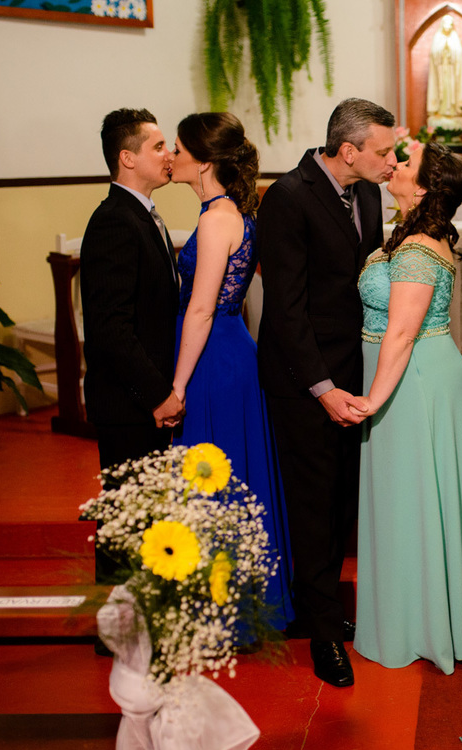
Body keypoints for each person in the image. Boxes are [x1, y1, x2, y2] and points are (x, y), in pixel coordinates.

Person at [256, 98, 397, 687]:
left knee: (344, 501)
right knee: (314, 505)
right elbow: (285, 310)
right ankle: (322, 634)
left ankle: (330, 607)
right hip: (303, 379)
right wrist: (323, 389)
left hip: (354, 370)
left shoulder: (367, 193)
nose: (392, 161)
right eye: (384, 151)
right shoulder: (288, 198)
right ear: (350, 150)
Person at [350, 143, 462, 674]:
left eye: (406, 163)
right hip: (412, 373)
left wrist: (371, 401)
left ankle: (420, 621)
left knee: (413, 497)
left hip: (412, 379)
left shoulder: (418, 248)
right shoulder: (410, 237)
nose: (395, 166)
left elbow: (402, 333)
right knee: (413, 497)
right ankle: (424, 610)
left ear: (424, 187)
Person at [169, 111, 295, 632]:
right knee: (228, 471)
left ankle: (227, 611)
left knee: (214, 475)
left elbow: (201, 309)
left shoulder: (217, 217)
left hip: (212, 357)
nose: (171, 158)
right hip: (226, 349)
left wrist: (176, 386)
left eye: (177, 149)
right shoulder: (230, 211)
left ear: (202, 161)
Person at [80, 108, 183, 585]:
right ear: (127, 158)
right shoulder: (114, 222)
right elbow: (110, 328)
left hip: (144, 399)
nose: (170, 154)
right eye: (158, 146)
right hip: (129, 403)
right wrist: (158, 394)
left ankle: (145, 622)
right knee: (126, 522)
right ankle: (119, 633)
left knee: (149, 520)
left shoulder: (144, 215)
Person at [427, 14, 462, 130]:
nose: (447, 27)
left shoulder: (455, 39)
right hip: (440, 73)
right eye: (446, 25)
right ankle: (441, 111)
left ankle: (452, 111)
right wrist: (442, 50)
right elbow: (434, 54)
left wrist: (450, 51)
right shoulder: (437, 38)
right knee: (442, 93)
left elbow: (458, 56)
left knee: (450, 92)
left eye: (450, 25)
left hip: (452, 73)